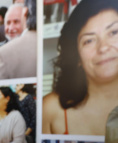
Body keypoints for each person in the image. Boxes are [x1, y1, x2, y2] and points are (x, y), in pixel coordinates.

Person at [43, 0, 118, 135]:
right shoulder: (50, 108)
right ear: (76, 56)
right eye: (89, 41)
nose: (103, 48)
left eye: (113, 32)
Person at [0, 0, 37, 80]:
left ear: (25, 20)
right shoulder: (2, 50)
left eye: (16, 22)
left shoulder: (1, 54)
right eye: (8, 23)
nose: (11, 28)